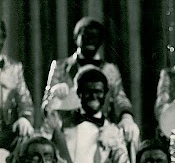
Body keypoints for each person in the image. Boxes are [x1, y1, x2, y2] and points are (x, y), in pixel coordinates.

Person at [42, 66, 136, 163]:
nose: (93, 96)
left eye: (98, 91)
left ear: (105, 94)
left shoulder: (112, 131)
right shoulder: (59, 120)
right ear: (79, 93)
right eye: (88, 91)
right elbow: (39, 144)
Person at [42, 17, 139, 148]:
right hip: (67, 131)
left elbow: (120, 99)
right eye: (85, 36)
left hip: (100, 130)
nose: (90, 41)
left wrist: (127, 117)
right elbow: (46, 107)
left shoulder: (110, 70)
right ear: (76, 38)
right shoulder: (60, 67)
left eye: (95, 37)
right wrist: (54, 94)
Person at [0, 19, 34, 163]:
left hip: (6, 130)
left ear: (4, 38)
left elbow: (25, 102)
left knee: (26, 142)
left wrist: (25, 118)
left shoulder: (14, 68)